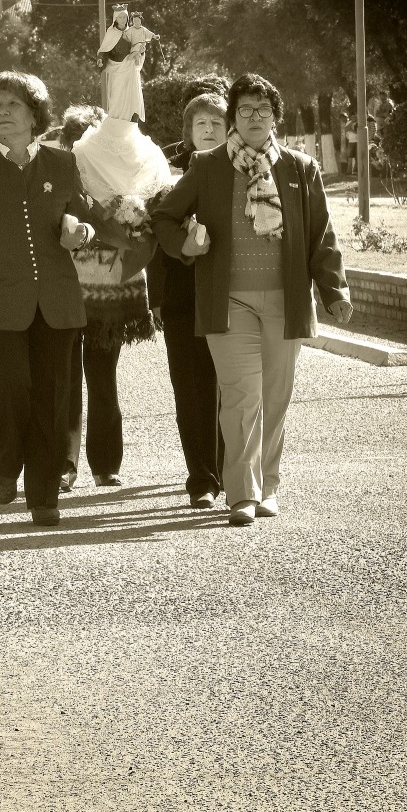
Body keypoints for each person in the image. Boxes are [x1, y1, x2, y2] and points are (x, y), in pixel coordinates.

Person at [0, 71, 130, 527]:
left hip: (57, 305)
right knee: (7, 394)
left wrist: (80, 231)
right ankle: (3, 464)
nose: (1, 113)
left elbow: (83, 217)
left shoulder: (61, 164)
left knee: (52, 401)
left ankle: (43, 499)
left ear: (34, 114)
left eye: (12, 105)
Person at [151, 72, 352, 527]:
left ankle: (269, 486)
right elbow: (163, 217)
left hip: (286, 300)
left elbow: (321, 235)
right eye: (245, 110)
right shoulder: (208, 165)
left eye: (263, 110)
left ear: (275, 117)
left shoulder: (299, 168)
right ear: (233, 118)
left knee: (275, 397)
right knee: (242, 396)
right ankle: (242, 493)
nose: (254, 117)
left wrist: (334, 290)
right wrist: (188, 245)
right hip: (229, 302)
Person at [57, 104, 156, 492]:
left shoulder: (125, 185)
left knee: (102, 381)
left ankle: (105, 465)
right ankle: (65, 464)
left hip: (109, 298)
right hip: (63, 295)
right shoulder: (58, 178)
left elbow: (141, 235)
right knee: (64, 382)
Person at [146, 92, 228, 508]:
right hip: (182, 295)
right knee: (191, 389)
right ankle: (202, 479)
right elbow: (156, 235)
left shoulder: (245, 169)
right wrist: (156, 296)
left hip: (233, 295)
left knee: (230, 387)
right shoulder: (168, 175)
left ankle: (232, 470)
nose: (209, 130)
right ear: (189, 132)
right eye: (201, 124)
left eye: (217, 121)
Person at [97, 5, 150, 123]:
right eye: (120, 17)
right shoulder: (111, 33)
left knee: (132, 98)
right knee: (116, 99)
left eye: (124, 17)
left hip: (130, 68)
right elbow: (104, 50)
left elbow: (138, 46)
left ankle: (130, 122)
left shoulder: (132, 31)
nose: (122, 19)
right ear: (115, 19)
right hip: (116, 69)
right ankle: (116, 122)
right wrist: (101, 60)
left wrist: (141, 51)